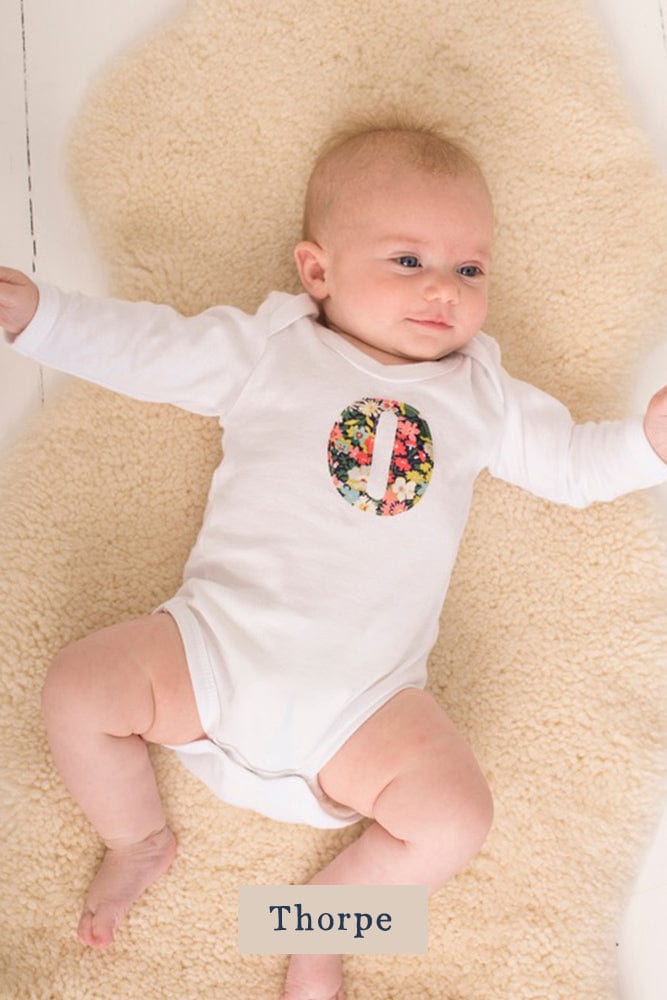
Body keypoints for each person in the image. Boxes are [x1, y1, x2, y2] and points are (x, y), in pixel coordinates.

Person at [2, 118, 667, 1000]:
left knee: (457, 820)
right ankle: (137, 838)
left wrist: (647, 445)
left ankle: (313, 928)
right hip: (213, 649)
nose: (444, 291)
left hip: (364, 708)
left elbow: (573, 468)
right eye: (407, 261)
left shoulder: (482, 395)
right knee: (80, 688)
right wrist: (42, 319)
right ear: (316, 271)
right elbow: (150, 350)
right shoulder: (273, 352)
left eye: (469, 270)